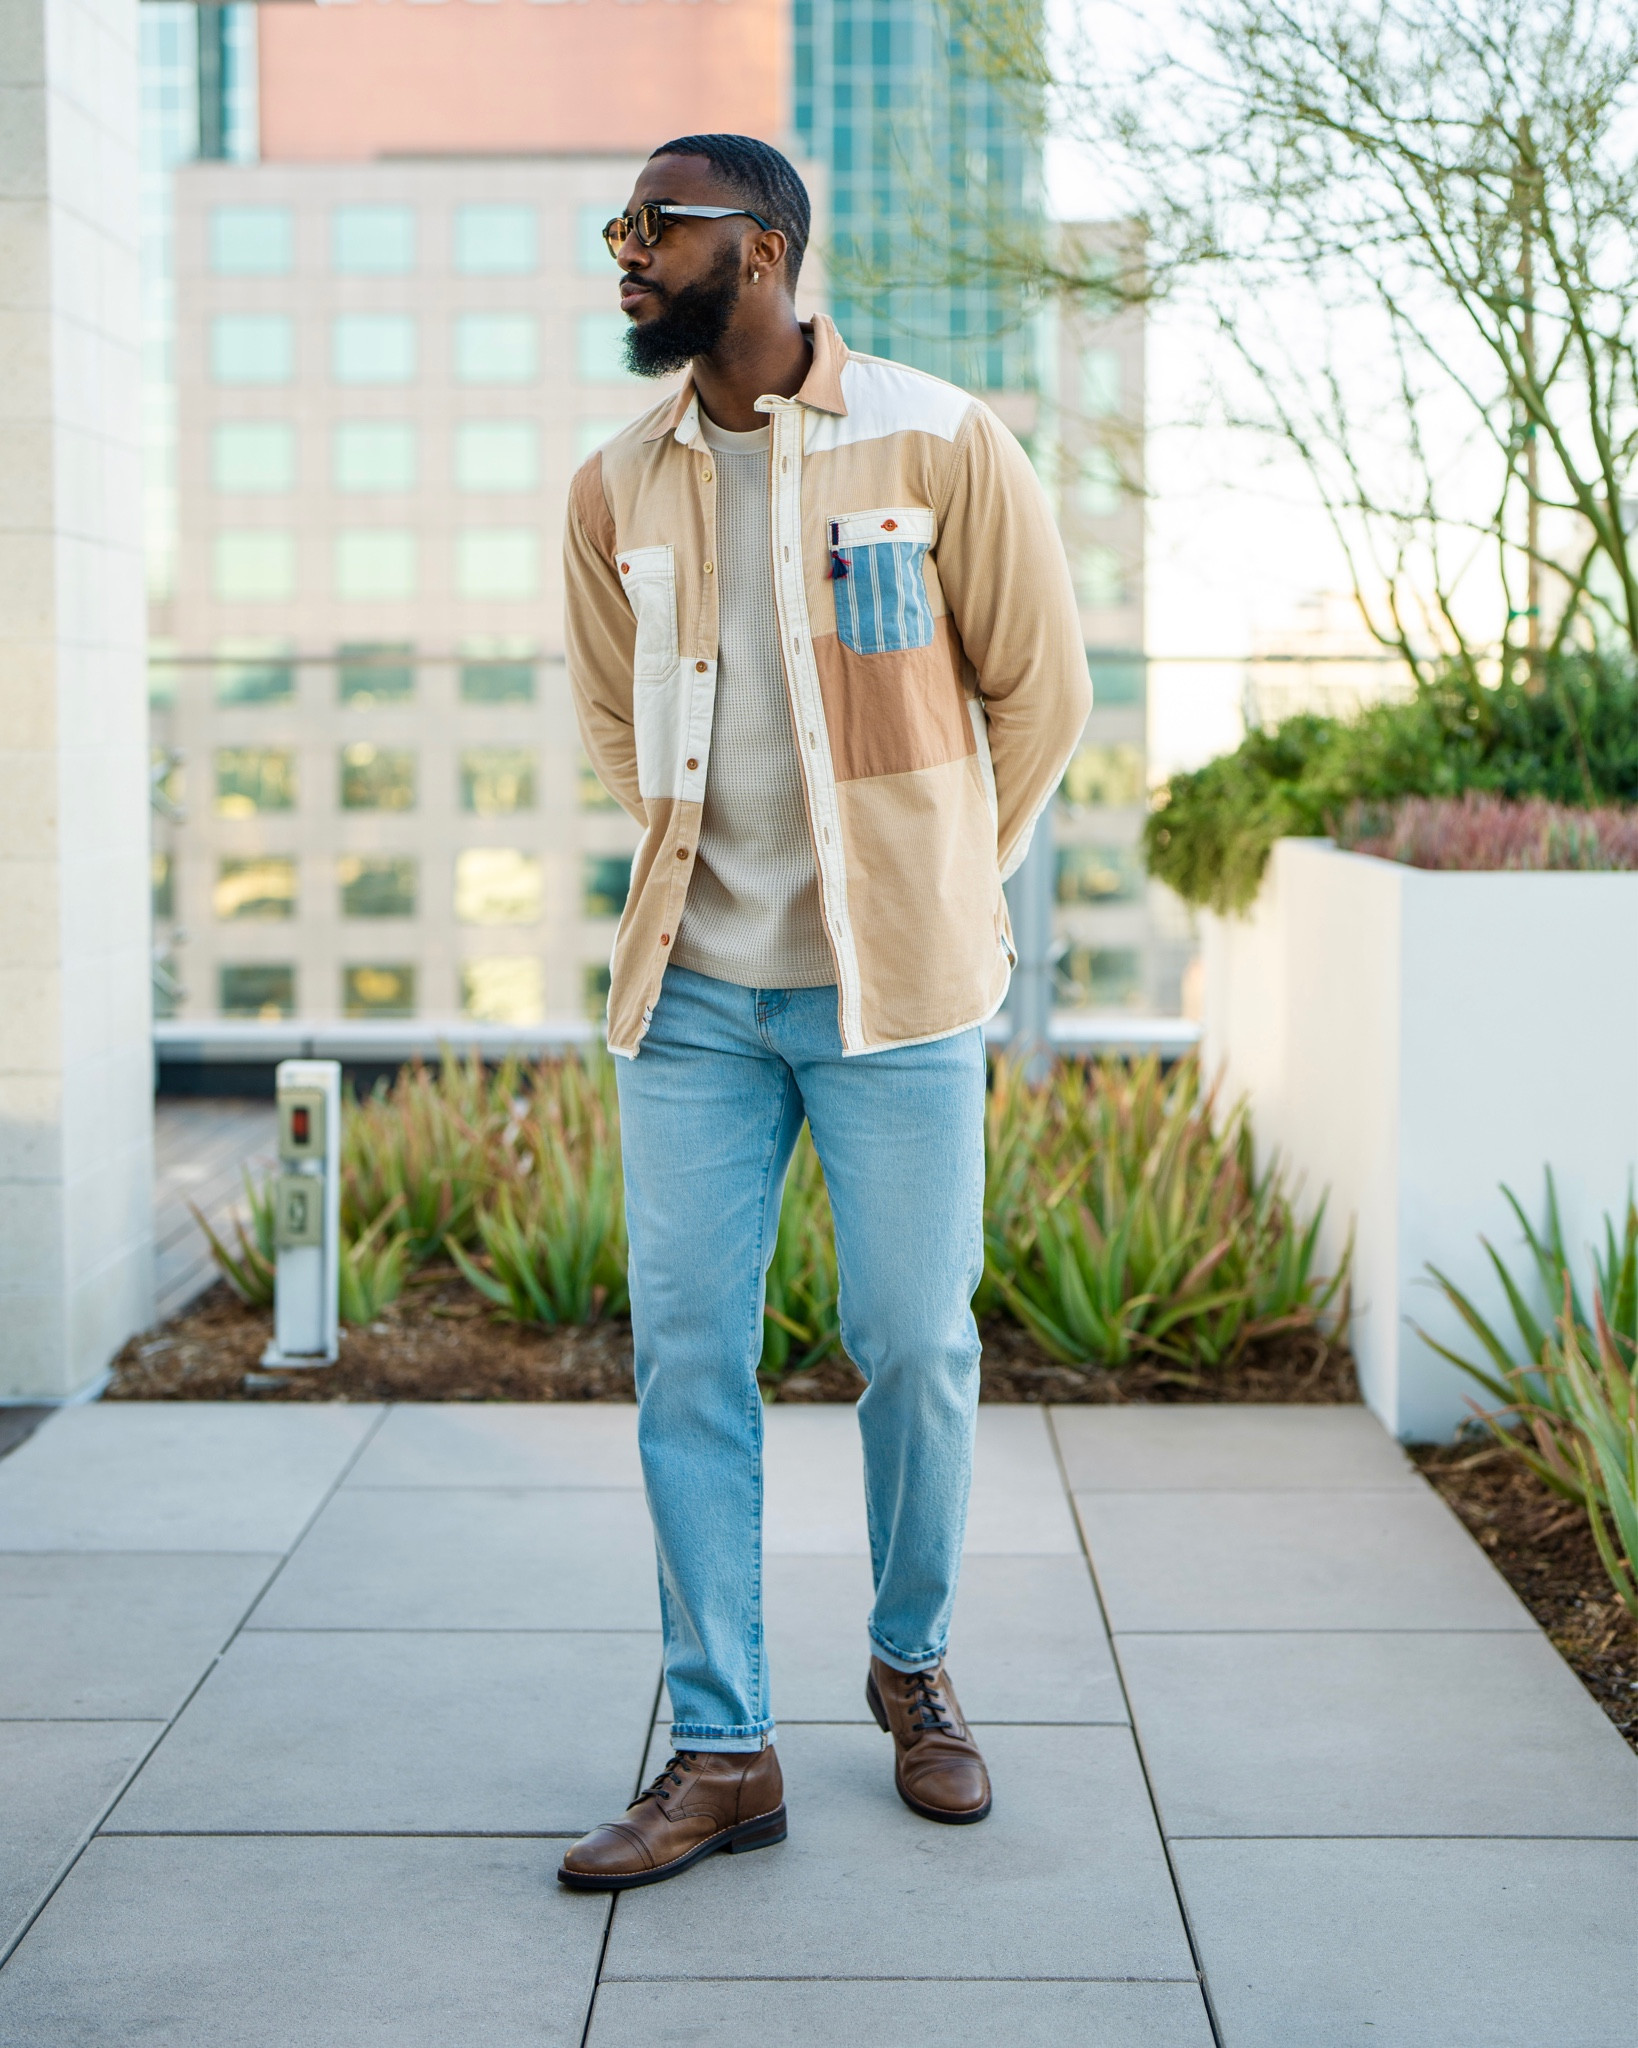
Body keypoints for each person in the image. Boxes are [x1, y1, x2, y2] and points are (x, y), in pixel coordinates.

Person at [557, 133, 1088, 1891]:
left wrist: (936, 883)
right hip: (695, 998)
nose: (626, 254)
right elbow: (614, 738)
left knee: (917, 1346)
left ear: (764, 249)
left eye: (660, 226)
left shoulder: (935, 439)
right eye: (618, 229)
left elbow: (1039, 695)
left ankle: (911, 1663)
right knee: (687, 1366)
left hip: (901, 997)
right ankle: (722, 1750)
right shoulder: (611, 484)